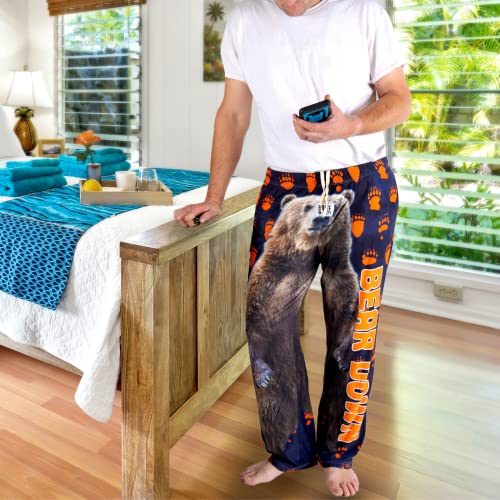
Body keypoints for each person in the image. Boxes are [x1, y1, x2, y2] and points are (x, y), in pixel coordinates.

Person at [173, 0, 411, 496]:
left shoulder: (362, 10)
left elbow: (398, 99)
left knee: (353, 326)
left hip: (364, 185)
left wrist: (349, 126)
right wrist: (213, 196)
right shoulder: (244, 20)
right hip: (285, 190)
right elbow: (234, 113)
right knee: (266, 323)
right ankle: (289, 449)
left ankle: (339, 452)